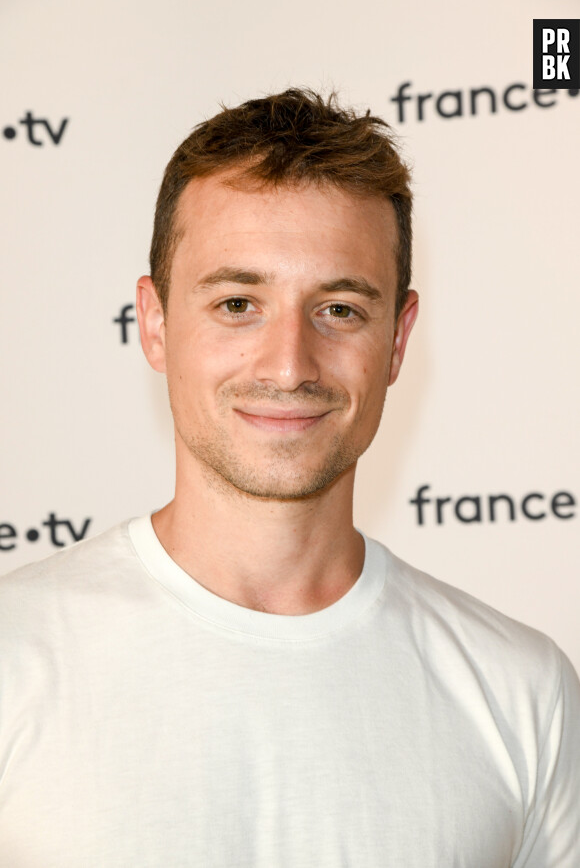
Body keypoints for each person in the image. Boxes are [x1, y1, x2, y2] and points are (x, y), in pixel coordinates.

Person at [0, 88, 578, 867]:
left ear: (398, 340)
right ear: (156, 322)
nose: (288, 364)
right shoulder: (16, 652)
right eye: (238, 302)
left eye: (339, 309)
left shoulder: (522, 690)